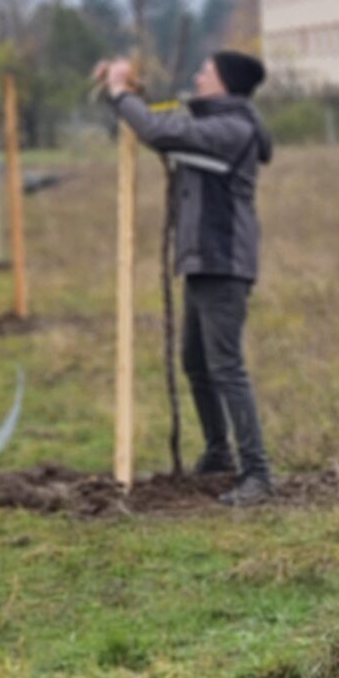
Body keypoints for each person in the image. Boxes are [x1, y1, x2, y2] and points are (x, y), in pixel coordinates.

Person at [96, 49, 276, 505]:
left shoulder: (232, 130)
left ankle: (256, 475)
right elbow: (164, 125)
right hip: (201, 261)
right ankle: (218, 454)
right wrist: (125, 94)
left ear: (225, 83)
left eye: (205, 71)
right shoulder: (212, 123)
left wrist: (120, 92)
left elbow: (162, 131)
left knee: (226, 367)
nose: (197, 76)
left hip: (223, 262)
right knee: (196, 363)